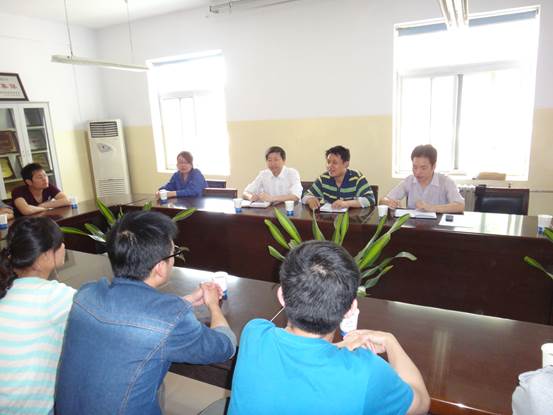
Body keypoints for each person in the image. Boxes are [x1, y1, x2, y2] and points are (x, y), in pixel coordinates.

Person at [55, 210, 236, 415]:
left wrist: (185, 301)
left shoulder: (86, 294)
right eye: (173, 253)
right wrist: (213, 305)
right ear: (160, 267)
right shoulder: (170, 318)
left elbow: (132, 312)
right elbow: (225, 347)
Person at [228, 240, 430, 415]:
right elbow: (421, 403)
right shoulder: (366, 372)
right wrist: (389, 341)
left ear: (282, 296)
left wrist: (342, 346)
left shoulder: (254, 333)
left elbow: (303, 355)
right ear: (350, 309)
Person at [0, 217, 75, 414]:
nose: (64, 247)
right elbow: (99, 311)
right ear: (45, 255)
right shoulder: (53, 296)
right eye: (60, 243)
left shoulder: (6, 288)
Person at [381, 144, 464, 213]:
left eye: (423, 168)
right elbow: (382, 200)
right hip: (414, 225)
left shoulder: (445, 181)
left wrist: (432, 208)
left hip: (438, 226)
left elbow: (460, 205)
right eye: (415, 167)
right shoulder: (409, 181)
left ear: (433, 166)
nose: (417, 172)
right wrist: (388, 202)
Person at [302, 145, 375, 210]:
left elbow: (370, 199)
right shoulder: (324, 178)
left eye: (335, 163)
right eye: (328, 162)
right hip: (329, 218)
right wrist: (310, 199)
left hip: (352, 219)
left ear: (346, 164)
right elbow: (305, 196)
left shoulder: (356, 177)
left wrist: (347, 203)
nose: (330, 166)